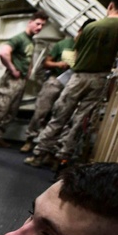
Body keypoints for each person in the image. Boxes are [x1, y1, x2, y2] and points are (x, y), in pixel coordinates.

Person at [26, 0, 118, 169]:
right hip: (101, 79)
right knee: (80, 122)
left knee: (59, 116)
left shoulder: (91, 27)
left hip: (78, 78)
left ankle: (40, 154)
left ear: (110, 5)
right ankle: (62, 159)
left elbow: (76, 53)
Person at [19, 19, 91, 153]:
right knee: (41, 111)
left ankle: (51, 146)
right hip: (56, 79)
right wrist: (58, 64)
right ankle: (30, 139)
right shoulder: (63, 44)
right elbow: (46, 62)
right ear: (79, 31)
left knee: (63, 115)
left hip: (72, 83)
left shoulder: (87, 49)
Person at [0, 11, 48, 149]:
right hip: (11, 79)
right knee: (1, 109)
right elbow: (3, 53)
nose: (40, 27)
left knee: (12, 111)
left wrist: (28, 72)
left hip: (21, 80)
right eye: (38, 24)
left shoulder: (31, 41)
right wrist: (12, 69)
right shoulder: (19, 38)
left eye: (42, 25)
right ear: (30, 22)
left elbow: (28, 58)